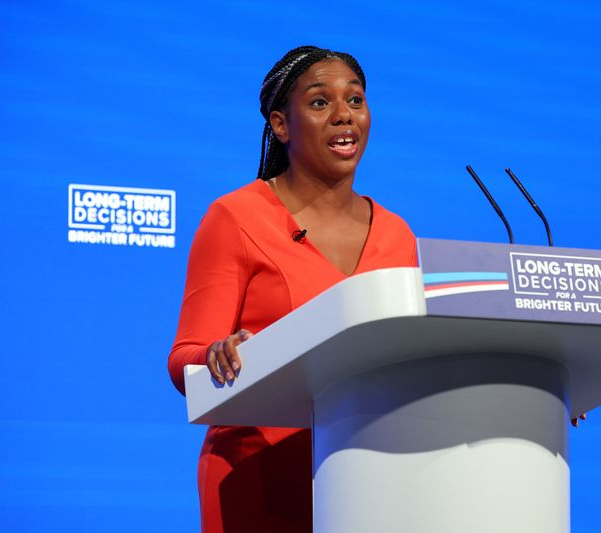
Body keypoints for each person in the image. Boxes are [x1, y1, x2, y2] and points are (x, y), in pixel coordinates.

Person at [168, 46, 418, 533]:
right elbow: (184, 358)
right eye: (321, 103)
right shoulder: (236, 218)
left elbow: (412, 357)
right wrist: (217, 355)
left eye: (356, 100)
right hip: (258, 475)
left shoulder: (397, 234)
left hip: (373, 476)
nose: (344, 115)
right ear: (281, 125)